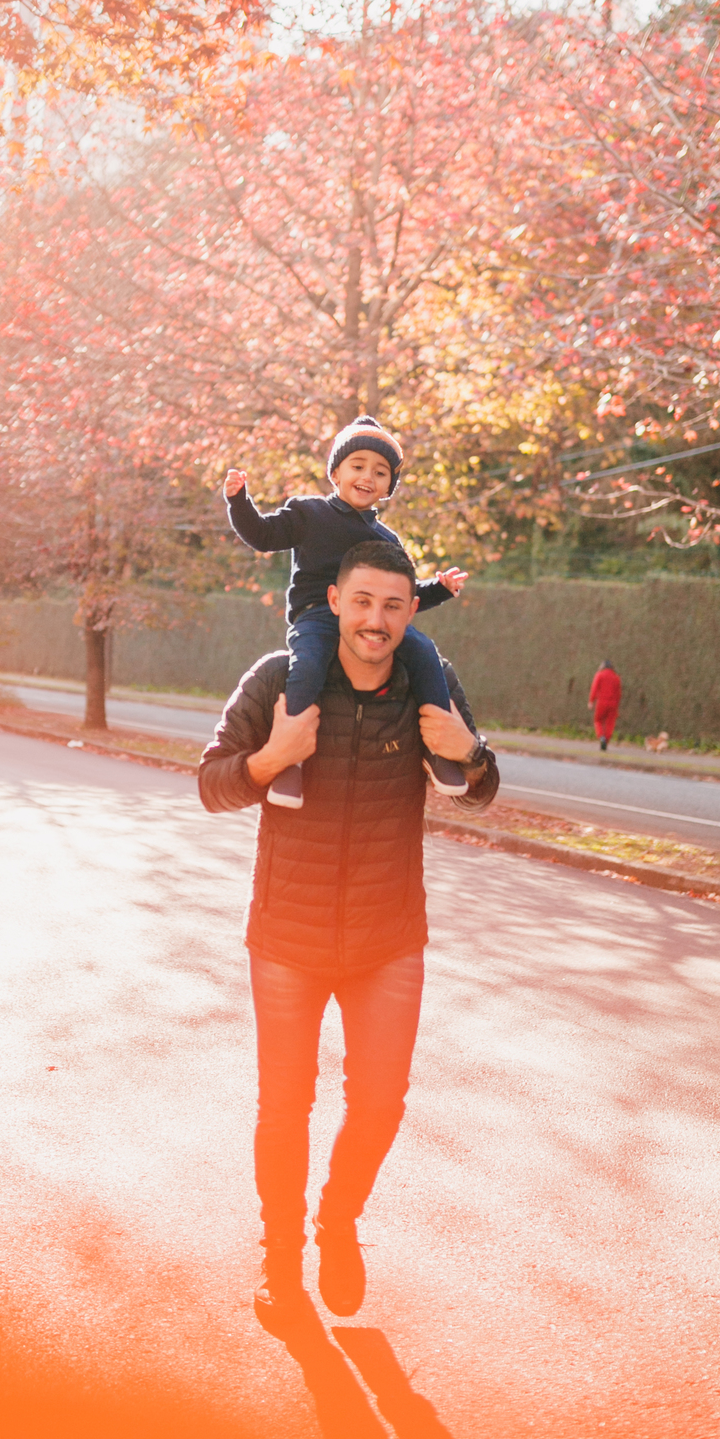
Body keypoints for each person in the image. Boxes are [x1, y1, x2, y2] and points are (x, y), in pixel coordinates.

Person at [198, 538, 499, 1330]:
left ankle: (337, 1221)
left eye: (394, 605)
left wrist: (474, 753)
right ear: (334, 601)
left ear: (411, 611)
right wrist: (269, 761)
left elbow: (476, 786)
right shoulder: (278, 680)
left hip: (387, 938)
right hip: (287, 940)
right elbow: (211, 783)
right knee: (284, 1107)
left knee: (380, 1103)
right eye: (363, 601)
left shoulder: (425, 684)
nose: (377, 620)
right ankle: (279, 1263)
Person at [224, 415, 470, 809]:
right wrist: (239, 501)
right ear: (336, 472)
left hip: (369, 622)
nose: (367, 477)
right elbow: (262, 535)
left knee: (423, 651)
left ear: (390, 485)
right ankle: (291, 760)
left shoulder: (387, 540)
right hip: (318, 614)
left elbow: (400, 597)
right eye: (357, 466)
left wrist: (439, 589)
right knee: (307, 664)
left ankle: (437, 750)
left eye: (380, 471)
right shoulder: (308, 514)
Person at [589, 659, 622, 751]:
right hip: (613, 703)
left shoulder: (599, 675)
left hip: (601, 702)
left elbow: (594, 688)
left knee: (598, 721)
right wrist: (617, 707)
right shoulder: (616, 677)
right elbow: (619, 694)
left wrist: (591, 701)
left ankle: (601, 737)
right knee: (610, 723)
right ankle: (606, 740)